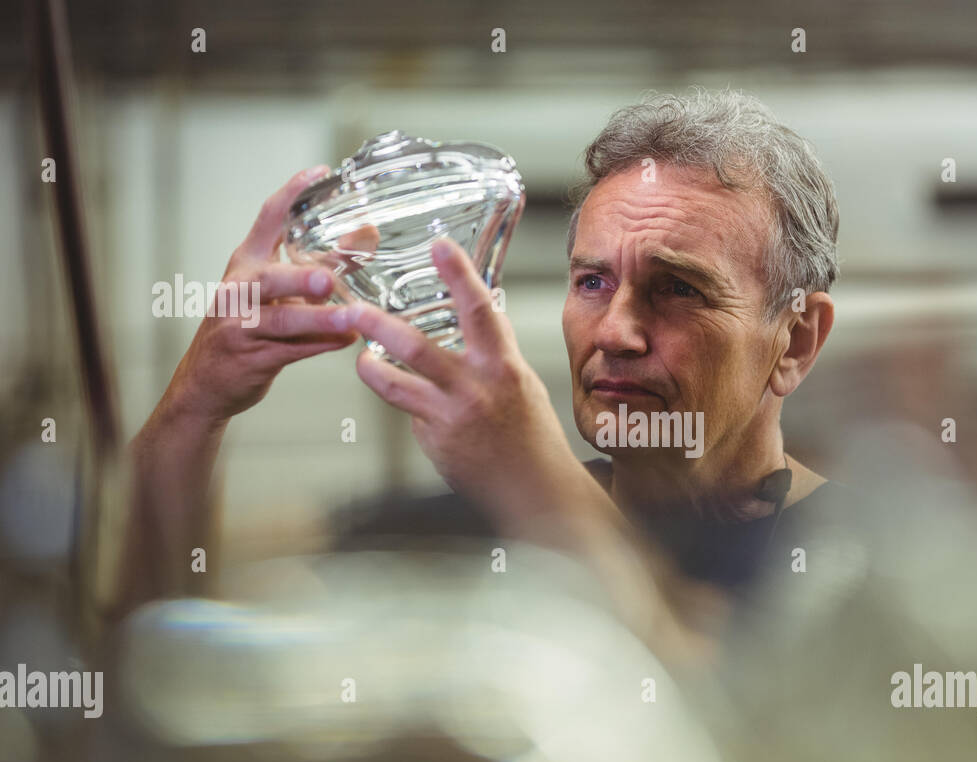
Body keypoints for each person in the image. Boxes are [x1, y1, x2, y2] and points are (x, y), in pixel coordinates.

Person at [111, 88, 850, 658]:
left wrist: (532, 481)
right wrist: (193, 407)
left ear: (796, 341)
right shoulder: (475, 523)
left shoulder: (849, 561)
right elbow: (162, 620)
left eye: (678, 289)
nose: (617, 331)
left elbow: (729, 718)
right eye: (592, 282)